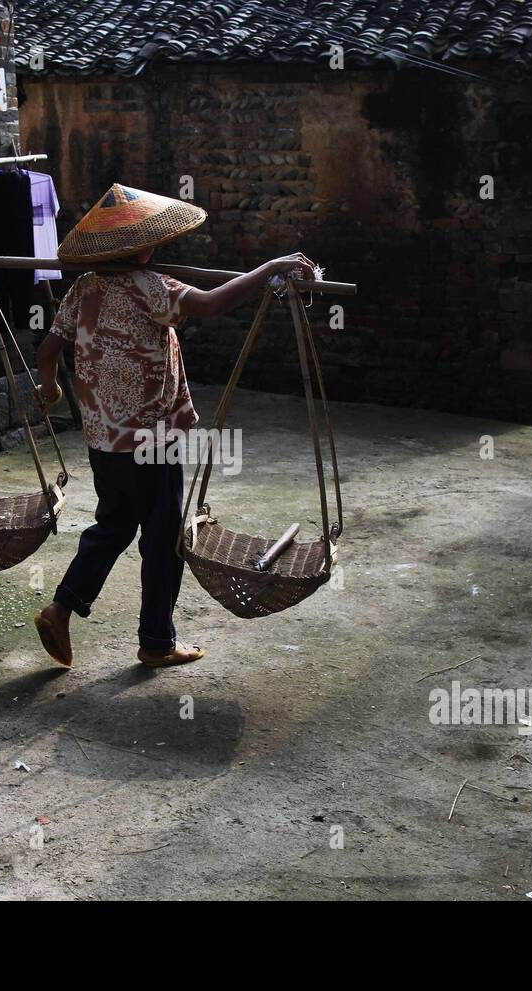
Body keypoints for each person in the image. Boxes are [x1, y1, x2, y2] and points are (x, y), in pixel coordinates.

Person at [32, 183, 315, 669]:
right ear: (142, 247)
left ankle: (61, 606)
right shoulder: (152, 289)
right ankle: (156, 642)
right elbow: (211, 304)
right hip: (150, 440)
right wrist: (270, 268)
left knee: (114, 524)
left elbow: (48, 350)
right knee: (162, 539)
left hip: (102, 440)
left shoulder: (83, 289)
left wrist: (51, 387)